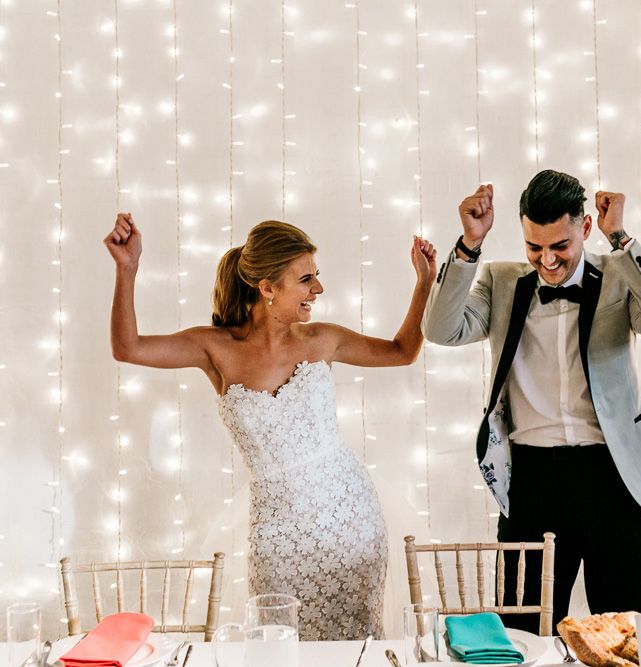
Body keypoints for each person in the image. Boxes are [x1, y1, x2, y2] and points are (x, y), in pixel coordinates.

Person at [104, 215, 437, 640]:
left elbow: (403, 351)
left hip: (351, 519)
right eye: (306, 279)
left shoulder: (324, 338)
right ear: (267, 288)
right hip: (276, 533)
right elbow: (127, 347)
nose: (318, 289)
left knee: (355, 641)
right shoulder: (216, 348)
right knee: (278, 641)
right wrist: (126, 268)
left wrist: (424, 283)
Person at [422, 170, 641, 632]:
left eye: (560, 246)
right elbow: (441, 329)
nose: (546, 260)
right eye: (534, 247)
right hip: (532, 486)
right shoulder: (501, 281)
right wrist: (469, 246)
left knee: (626, 640)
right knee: (522, 638)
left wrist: (623, 241)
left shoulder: (618, 274)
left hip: (618, 479)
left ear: (585, 228)